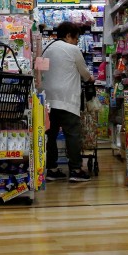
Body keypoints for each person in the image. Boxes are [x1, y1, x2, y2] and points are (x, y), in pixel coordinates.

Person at [38, 21, 94, 182]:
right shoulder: (73, 49)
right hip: (67, 98)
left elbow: (40, 70)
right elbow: (84, 73)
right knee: (72, 134)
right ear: (69, 36)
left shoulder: (46, 47)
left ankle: (51, 169)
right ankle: (76, 169)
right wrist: (91, 78)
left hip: (47, 99)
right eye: (76, 38)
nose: (77, 42)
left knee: (50, 134)